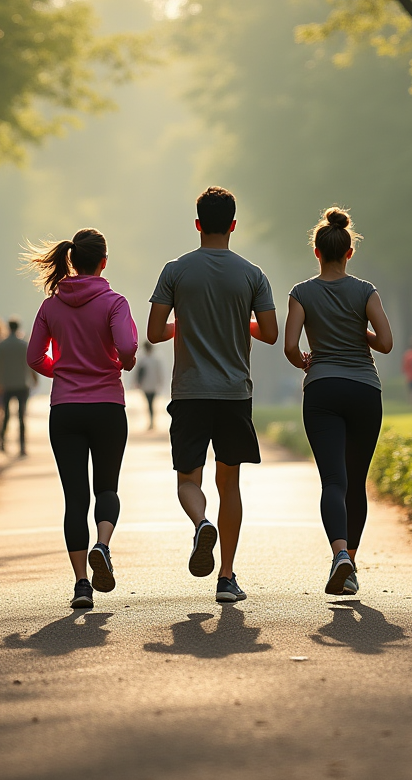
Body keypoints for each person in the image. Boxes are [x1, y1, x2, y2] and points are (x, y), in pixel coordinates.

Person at [148, 186, 278, 604]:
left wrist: (183, 325)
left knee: (189, 479)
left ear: (199, 224)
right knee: (230, 483)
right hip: (234, 393)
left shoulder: (176, 271)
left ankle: (201, 522)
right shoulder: (252, 274)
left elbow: (153, 332)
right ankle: (226, 577)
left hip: (189, 392)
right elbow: (272, 333)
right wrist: (242, 322)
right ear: (233, 225)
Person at [283, 207, 393, 597]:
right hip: (365, 389)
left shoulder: (302, 293)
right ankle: (350, 564)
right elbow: (386, 343)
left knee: (333, 479)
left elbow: (291, 347)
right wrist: (358, 330)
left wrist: (307, 362)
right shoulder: (366, 291)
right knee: (356, 483)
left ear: (317, 252)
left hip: (323, 390)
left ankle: (339, 555)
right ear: (349, 252)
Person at [26, 228, 138, 610]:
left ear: (71, 260)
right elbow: (125, 348)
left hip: (66, 410)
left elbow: (34, 357)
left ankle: (81, 585)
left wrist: (64, 371)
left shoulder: (51, 306)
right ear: (104, 261)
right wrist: (124, 361)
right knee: (106, 489)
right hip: (107, 406)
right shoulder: (114, 302)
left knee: (75, 498)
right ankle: (102, 546)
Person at [0, 318, 36, 455]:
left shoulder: (1, 344)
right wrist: (34, 378)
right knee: (22, 416)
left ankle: (2, 442)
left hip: (6, 383)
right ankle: (22, 445)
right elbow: (31, 362)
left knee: (6, 415)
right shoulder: (24, 344)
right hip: (22, 383)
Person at [135, 340, 164, 431]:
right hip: (153, 385)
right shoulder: (156, 359)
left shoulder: (142, 359)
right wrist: (160, 383)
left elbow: (138, 373)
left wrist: (137, 383)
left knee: (149, 403)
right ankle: (152, 421)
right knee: (151, 403)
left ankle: (151, 422)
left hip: (146, 386)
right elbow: (160, 373)